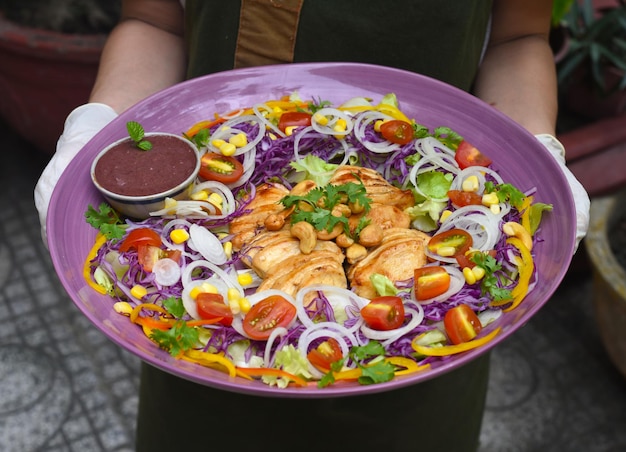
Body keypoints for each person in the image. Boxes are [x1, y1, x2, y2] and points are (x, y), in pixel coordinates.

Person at [34, 1, 590, 451]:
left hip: (421, 360)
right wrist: (100, 131)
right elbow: (152, 19)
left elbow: (520, 38)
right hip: (213, 364)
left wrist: (534, 150)